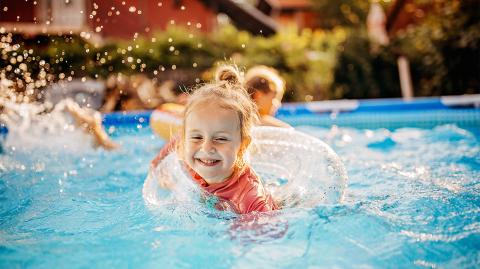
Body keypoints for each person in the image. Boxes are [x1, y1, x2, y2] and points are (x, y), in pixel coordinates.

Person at [151, 65, 278, 214]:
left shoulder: (251, 199)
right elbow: (166, 152)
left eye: (220, 138)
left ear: (242, 146)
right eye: (197, 137)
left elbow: (266, 232)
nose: (206, 147)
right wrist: (159, 171)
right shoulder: (190, 151)